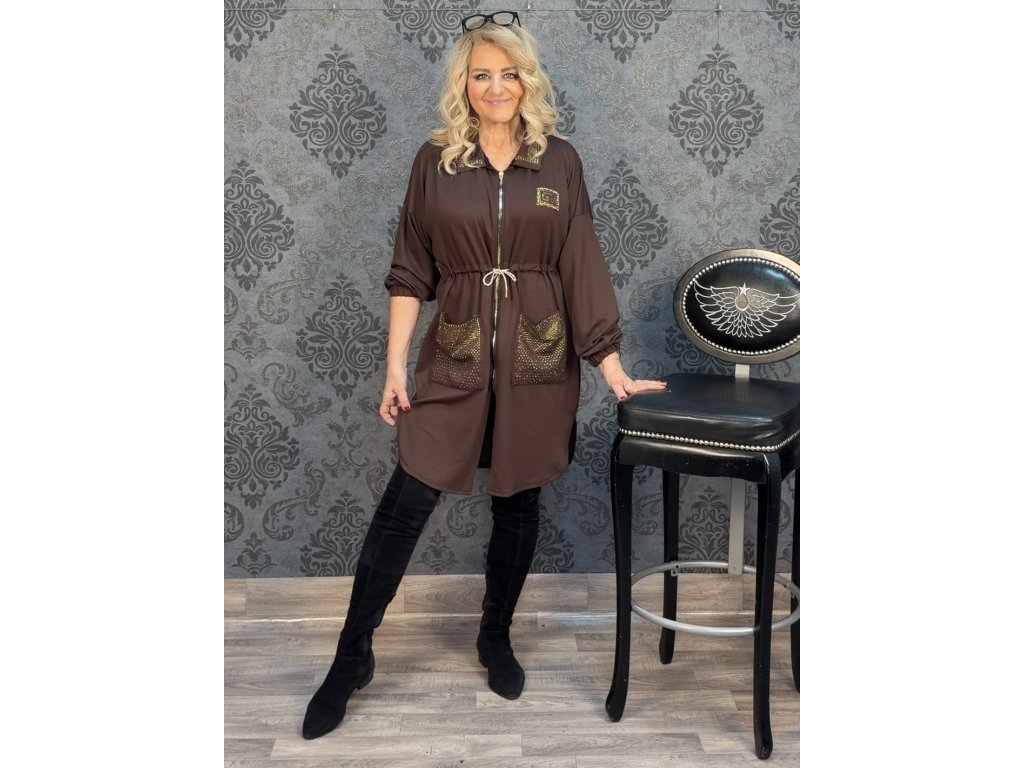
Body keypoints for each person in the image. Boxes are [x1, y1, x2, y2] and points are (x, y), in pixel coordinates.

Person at [301, 11, 666, 740]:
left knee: (518, 503)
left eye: (509, 73)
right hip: (456, 355)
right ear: (462, 85)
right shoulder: (435, 160)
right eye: (481, 75)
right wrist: (395, 365)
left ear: (527, 81)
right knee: (405, 503)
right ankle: (351, 656)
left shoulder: (559, 161)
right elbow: (410, 270)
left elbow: (581, 262)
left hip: (538, 361)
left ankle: (494, 636)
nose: (496, 87)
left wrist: (610, 363)